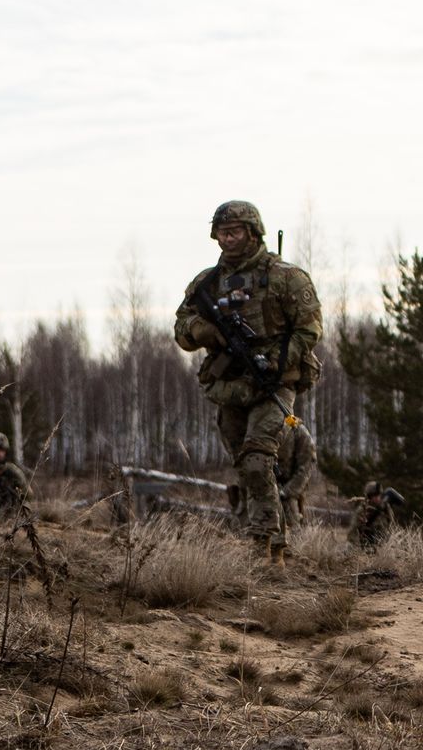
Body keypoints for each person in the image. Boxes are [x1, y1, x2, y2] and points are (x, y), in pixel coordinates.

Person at [172, 200, 324, 567]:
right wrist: (206, 330)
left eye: (235, 231)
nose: (227, 238)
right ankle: (264, 536)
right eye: (222, 232)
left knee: (258, 460)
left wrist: (276, 360)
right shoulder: (207, 283)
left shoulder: (286, 277)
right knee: (245, 465)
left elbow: (309, 330)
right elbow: (182, 327)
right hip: (231, 383)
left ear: (253, 232)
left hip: (274, 382)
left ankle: (271, 547)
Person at [276, 422, 318, 528]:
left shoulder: (297, 430)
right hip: (261, 493)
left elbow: (307, 465)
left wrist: (286, 491)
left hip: (287, 495)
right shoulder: (259, 428)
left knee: (292, 531)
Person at [351, 481, 403, 549]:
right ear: (369, 496)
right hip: (367, 545)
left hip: (384, 544)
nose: (377, 498)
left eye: (379, 495)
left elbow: (391, 524)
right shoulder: (362, 510)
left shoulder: (385, 507)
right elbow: (353, 532)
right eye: (374, 496)